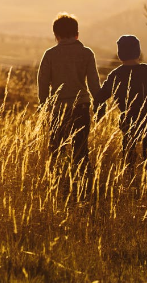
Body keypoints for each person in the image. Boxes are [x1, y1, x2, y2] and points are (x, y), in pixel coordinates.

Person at [37, 13, 101, 192]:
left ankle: (59, 188)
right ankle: (84, 190)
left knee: (57, 151)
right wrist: (99, 104)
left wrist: (44, 107)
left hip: (58, 110)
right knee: (81, 151)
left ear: (55, 35)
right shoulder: (87, 54)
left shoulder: (49, 55)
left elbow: (42, 83)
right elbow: (94, 84)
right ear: (77, 34)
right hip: (81, 109)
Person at [95, 34, 147, 187]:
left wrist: (98, 110)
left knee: (129, 157)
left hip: (129, 121)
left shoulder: (115, 75)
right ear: (138, 52)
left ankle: (130, 186)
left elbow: (100, 96)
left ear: (120, 54)